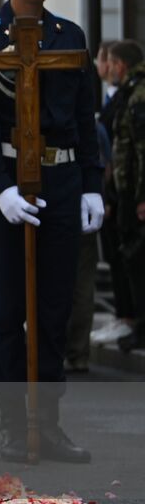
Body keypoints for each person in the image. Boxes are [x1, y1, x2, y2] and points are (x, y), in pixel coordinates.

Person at [0, 0, 102, 463]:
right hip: (8, 187)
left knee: (54, 308)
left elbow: (84, 121)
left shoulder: (69, 37)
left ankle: (50, 422)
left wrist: (91, 184)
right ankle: (13, 426)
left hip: (61, 184)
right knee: (6, 312)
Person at [110, 39, 145, 353]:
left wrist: (141, 197)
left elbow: (141, 149)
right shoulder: (132, 91)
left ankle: (141, 325)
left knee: (137, 258)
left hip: (135, 193)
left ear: (120, 65)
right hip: (128, 190)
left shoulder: (137, 94)